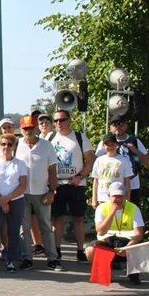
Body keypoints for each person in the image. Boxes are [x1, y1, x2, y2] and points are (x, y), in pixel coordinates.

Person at [46, 110, 95, 263]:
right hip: (58, 183)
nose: (58, 123)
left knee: (78, 218)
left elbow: (90, 160)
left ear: (69, 121)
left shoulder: (80, 137)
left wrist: (80, 176)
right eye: (55, 121)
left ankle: (80, 250)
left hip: (76, 183)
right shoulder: (50, 138)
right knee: (57, 218)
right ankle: (57, 249)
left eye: (61, 120)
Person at [15, 115, 60, 270]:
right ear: (21, 130)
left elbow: (52, 170)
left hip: (42, 191)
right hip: (22, 192)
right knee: (24, 227)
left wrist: (52, 191)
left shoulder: (47, 146)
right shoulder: (16, 145)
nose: (29, 131)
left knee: (46, 226)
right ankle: (27, 258)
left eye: (31, 128)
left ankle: (52, 258)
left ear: (36, 128)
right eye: (25, 128)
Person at [0, 133, 29, 274]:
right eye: (3, 144)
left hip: (16, 200)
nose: (6, 147)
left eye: (9, 144)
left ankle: (11, 261)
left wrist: (8, 198)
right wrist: (1, 200)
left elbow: (23, 185)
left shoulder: (20, 163)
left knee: (14, 231)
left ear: (14, 146)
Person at [84, 182, 145, 285]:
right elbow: (100, 231)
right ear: (109, 195)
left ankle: (134, 274)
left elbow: (139, 234)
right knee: (90, 250)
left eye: (120, 196)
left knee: (145, 247)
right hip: (108, 241)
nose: (118, 199)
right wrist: (112, 213)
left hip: (127, 242)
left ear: (125, 195)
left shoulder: (133, 208)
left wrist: (127, 248)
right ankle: (103, 272)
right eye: (114, 196)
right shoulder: (102, 208)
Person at [95, 116, 149, 204]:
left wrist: (135, 150)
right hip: (110, 187)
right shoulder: (105, 142)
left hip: (132, 185)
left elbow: (147, 163)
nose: (118, 127)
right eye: (114, 124)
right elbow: (97, 165)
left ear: (126, 126)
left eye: (121, 124)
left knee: (130, 211)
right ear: (110, 127)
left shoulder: (134, 141)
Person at [91, 134, 134, 244]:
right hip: (103, 197)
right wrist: (94, 198)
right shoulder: (99, 160)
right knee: (103, 221)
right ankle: (104, 244)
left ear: (117, 145)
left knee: (116, 220)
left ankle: (118, 243)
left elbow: (127, 181)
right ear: (103, 146)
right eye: (107, 145)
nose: (110, 147)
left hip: (118, 197)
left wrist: (127, 198)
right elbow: (96, 180)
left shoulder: (124, 161)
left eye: (112, 144)